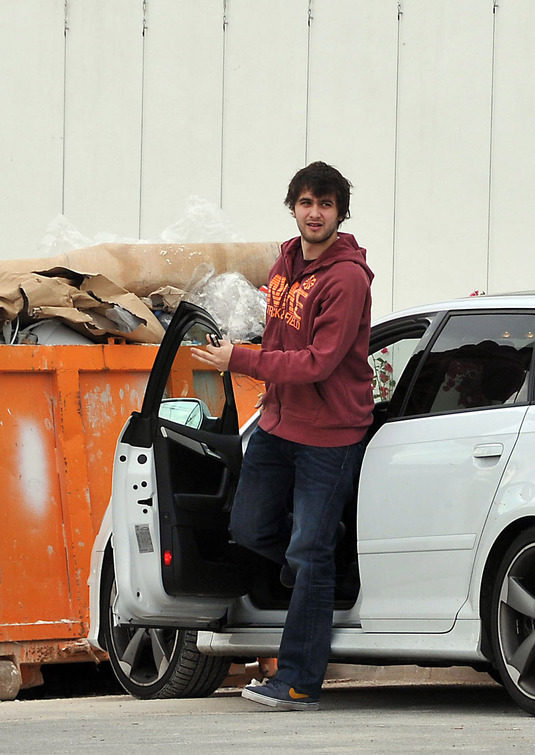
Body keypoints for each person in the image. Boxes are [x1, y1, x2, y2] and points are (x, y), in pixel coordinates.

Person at [192, 162, 374, 711]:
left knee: (308, 552)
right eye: (305, 202)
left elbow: (319, 362)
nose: (314, 212)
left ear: (340, 212)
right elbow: (279, 336)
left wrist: (239, 358)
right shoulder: (285, 264)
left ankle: (297, 681)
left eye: (325, 203)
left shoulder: (346, 278)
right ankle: (322, 551)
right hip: (278, 422)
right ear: (292, 207)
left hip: (330, 433)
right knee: (248, 527)